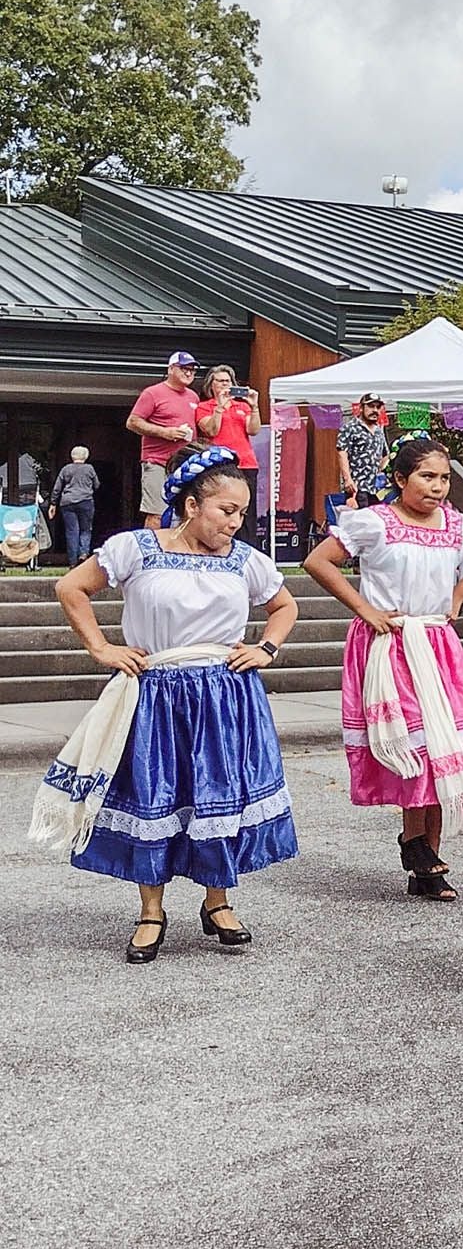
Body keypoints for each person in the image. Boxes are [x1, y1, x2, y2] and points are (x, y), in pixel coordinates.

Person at [31, 446, 299, 961]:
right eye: (227, 510)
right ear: (192, 505)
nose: (235, 522)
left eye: (242, 512)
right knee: (156, 794)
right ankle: (151, 911)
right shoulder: (137, 548)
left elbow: (284, 604)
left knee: (215, 795)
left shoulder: (245, 560)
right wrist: (101, 647)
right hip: (156, 692)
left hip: (224, 694)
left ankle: (218, 901)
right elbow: (71, 587)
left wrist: (266, 647)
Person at [303, 438, 463, 902]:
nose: (438, 487)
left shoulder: (457, 525)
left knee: (444, 744)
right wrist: (365, 609)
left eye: (444, 478)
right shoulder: (376, 522)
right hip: (391, 643)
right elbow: (319, 561)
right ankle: (417, 843)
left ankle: (425, 857)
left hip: (435, 642)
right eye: (427, 477)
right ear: (400, 479)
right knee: (416, 744)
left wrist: (456, 596)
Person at [126, 351, 201, 529]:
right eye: (184, 368)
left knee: (186, 513)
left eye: (192, 370)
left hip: (184, 464)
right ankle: (150, 554)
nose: (189, 373)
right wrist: (165, 432)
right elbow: (132, 422)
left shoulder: (193, 396)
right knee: (157, 514)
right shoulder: (152, 393)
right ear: (171, 369)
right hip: (157, 462)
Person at [195, 365, 263, 539]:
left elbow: (254, 430)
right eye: (221, 381)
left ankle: (248, 549)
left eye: (228, 381)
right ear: (212, 385)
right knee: (224, 507)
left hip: (246, 463)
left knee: (247, 511)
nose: (225, 385)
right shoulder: (204, 406)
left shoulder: (241, 406)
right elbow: (211, 430)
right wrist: (219, 407)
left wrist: (254, 407)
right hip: (220, 464)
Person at [47, 446, 100, 567]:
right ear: (86, 456)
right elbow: (96, 485)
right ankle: (83, 553)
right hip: (85, 501)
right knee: (86, 529)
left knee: (71, 531)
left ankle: (72, 561)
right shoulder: (89, 468)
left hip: (67, 502)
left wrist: (53, 503)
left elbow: (57, 487)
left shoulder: (66, 469)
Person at [337, 393, 390, 507]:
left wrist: (382, 473)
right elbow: (342, 453)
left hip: (376, 489)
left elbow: (385, 455)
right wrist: (347, 479)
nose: (375, 410)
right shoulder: (350, 428)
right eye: (371, 406)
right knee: (361, 521)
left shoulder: (379, 431)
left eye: (378, 407)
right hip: (357, 488)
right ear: (361, 408)